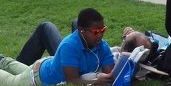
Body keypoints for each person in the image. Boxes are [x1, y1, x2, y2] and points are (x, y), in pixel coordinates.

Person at [0, 8, 115, 86]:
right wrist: (94, 82)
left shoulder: (102, 46)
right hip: (40, 77)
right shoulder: (70, 46)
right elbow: (72, 80)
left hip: (47, 64)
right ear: (82, 30)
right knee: (11, 82)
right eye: (96, 32)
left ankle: (0, 59)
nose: (100, 35)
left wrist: (111, 77)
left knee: (24, 70)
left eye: (103, 30)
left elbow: (111, 74)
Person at [12, 21, 156, 66]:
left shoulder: (113, 58)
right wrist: (128, 38)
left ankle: (21, 64)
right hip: (89, 54)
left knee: (46, 28)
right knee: (78, 22)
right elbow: (126, 49)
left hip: (77, 59)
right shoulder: (127, 58)